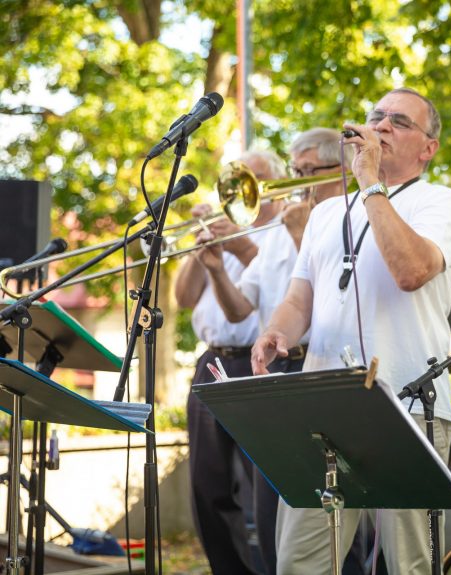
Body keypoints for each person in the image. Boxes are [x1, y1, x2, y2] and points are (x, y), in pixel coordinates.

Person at [250, 88, 451, 574]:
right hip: (325, 409)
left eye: (399, 121)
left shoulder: (441, 202)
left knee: (409, 565)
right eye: (375, 117)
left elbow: (410, 271)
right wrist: (275, 331)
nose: (382, 126)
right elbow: (299, 298)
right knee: (299, 563)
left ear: (428, 149)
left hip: (409, 405)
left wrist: (369, 181)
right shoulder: (326, 213)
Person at [195, 129, 351, 574]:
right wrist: (214, 270)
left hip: (314, 368)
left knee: (326, 511)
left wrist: (304, 235)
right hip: (276, 373)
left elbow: (334, 302)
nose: (297, 183)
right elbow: (243, 308)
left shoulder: (346, 222)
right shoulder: (282, 230)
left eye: (306, 172)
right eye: (295, 171)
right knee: (268, 509)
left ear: (337, 172)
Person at [175, 149, 285, 575]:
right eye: (241, 180)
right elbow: (184, 298)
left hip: (262, 361)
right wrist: (198, 244)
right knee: (208, 481)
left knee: (268, 485)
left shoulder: (281, 231)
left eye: (258, 179)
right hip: (213, 362)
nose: (246, 189)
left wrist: (239, 246)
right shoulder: (223, 232)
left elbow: (272, 290)